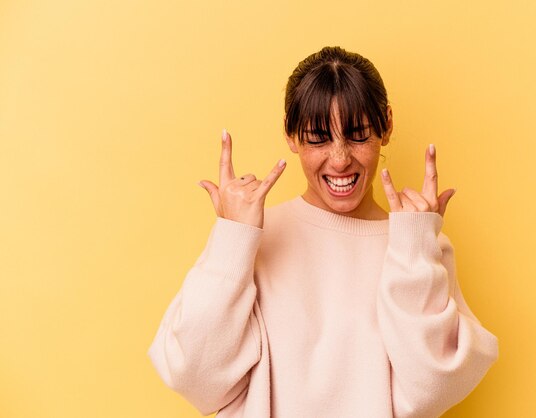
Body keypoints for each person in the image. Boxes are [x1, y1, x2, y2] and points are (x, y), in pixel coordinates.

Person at [147, 46, 499, 418]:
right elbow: (194, 376)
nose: (340, 158)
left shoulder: (415, 246)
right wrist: (232, 240)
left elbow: (435, 387)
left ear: (387, 125)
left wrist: (415, 250)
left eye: (358, 134)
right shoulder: (251, 240)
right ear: (291, 134)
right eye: (318, 137)